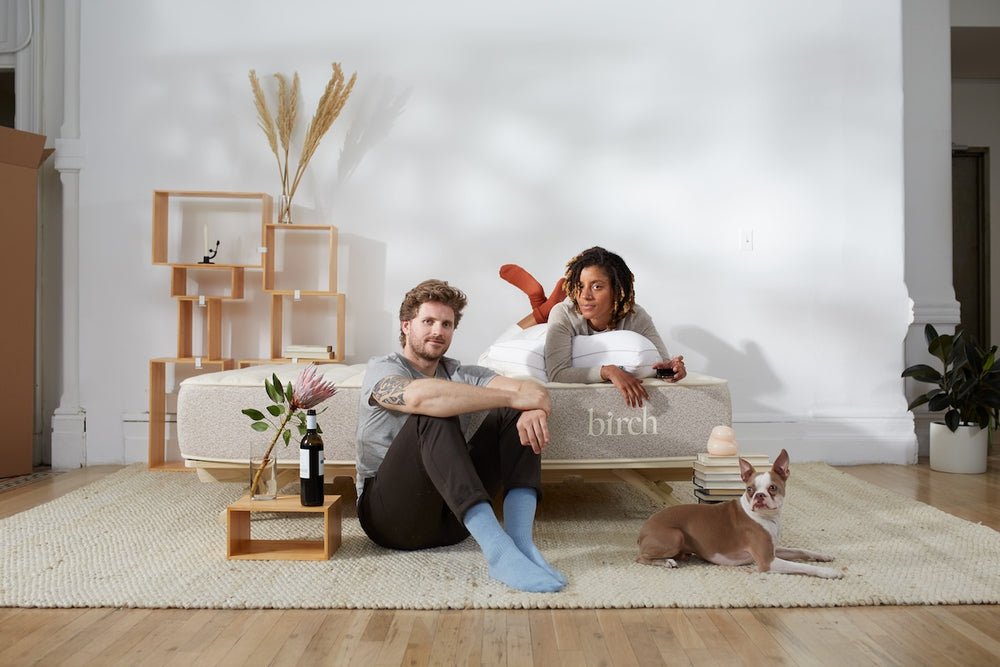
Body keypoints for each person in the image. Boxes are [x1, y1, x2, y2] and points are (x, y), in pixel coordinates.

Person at [355, 279, 566, 593]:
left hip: (452, 522)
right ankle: (499, 553)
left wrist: (533, 408)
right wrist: (514, 397)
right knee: (433, 412)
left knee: (513, 413)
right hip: (389, 519)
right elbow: (420, 398)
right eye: (428, 321)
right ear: (406, 326)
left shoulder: (461, 372)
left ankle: (520, 545)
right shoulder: (383, 369)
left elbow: (534, 391)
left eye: (446, 324)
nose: (438, 331)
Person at [501, 247, 686, 408]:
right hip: (547, 333)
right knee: (493, 351)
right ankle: (542, 310)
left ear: (617, 290)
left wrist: (672, 371)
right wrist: (608, 371)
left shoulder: (635, 316)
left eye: (597, 287)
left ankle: (543, 306)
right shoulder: (565, 313)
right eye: (579, 286)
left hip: (563, 325)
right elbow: (558, 374)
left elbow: (660, 364)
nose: (584, 296)